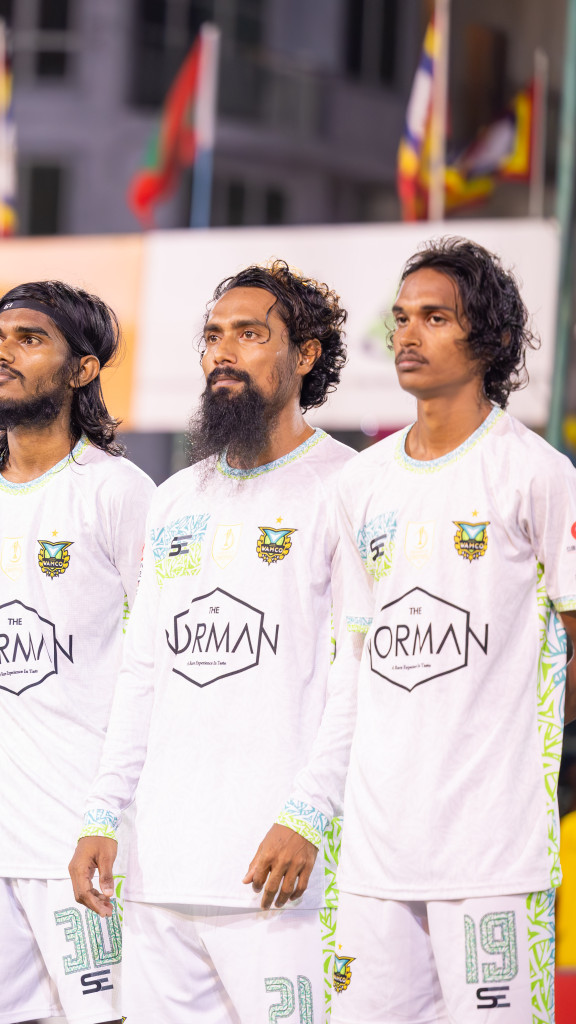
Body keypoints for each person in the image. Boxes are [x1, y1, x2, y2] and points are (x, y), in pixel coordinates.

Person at [69, 262, 354, 1022]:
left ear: (306, 356)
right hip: (161, 870)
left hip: (282, 871)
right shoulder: (172, 501)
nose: (222, 352)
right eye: (212, 336)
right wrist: (103, 814)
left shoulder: (351, 491)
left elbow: (361, 681)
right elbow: (141, 673)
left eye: (250, 334)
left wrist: (309, 815)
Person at [327, 238, 576, 1023]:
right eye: (401, 317)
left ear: (492, 341)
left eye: (435, 317)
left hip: (492, 852)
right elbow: (354, 661)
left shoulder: (537, 473)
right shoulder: (359, 483)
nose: (408, 334)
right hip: (372, 854)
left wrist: (513, 740)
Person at [0, 281, 153, 1024]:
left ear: (82, 370)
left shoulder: (120, 492)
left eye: (29, 339)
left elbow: (156, 666)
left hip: (85, 837)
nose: (1, 352)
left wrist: (110, 813)